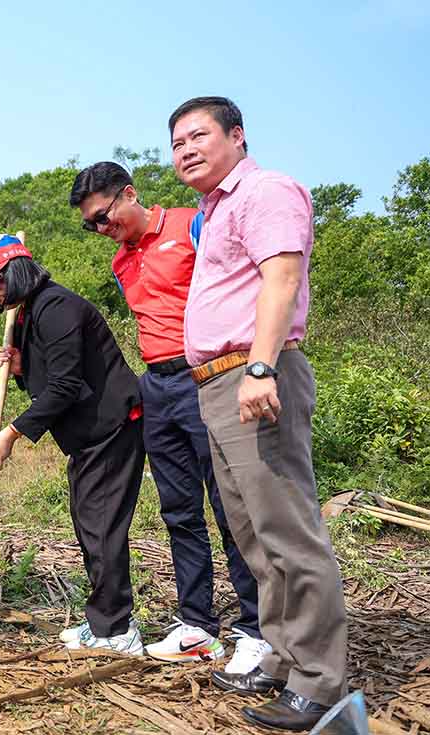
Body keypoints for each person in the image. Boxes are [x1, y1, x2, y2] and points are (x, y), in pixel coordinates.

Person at [169, 96, 347, 731]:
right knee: (252, 533)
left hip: (253, 372)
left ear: (237, 137)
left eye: (198, 136)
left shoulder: (265, 191)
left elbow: (282, 280)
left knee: (287, 529)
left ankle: (320, 680)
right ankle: (282, 654)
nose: (185, 150)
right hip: (216, 384)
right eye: (177, 143)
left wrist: (261, 367)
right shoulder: (212, 211)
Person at [69, 162, 267, 673]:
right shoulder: (120, 263)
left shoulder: (191, 225)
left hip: (209, 375)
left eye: (104, 215)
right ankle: (198, 624)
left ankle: (255, 628)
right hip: (155, 384)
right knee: (178, 511)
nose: (100, 228)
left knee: (230, 506)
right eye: (91, 224)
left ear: (129, 194)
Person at [0, 234, 146, 655]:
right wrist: (20, 367)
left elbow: (66, 386)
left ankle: (118, 630)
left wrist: (11, 433)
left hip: (112, 428)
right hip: (88, 437)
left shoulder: (57, 308)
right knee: (88, 520)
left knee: (102, 525)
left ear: (17, 271)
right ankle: (103, 621)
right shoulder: (33, 312)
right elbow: (53, 378)